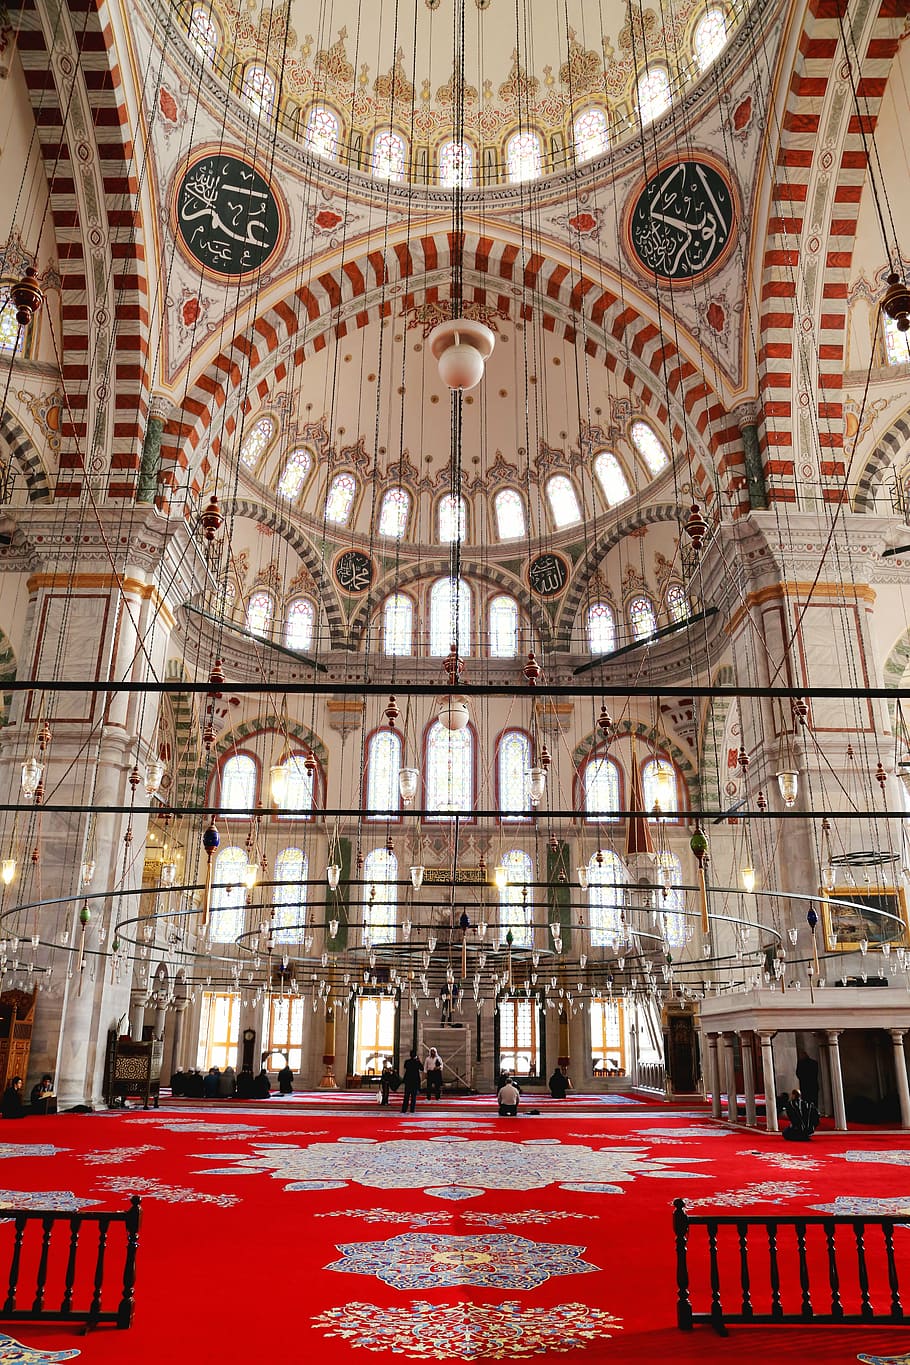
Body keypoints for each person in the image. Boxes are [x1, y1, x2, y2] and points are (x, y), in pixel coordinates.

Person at [401, 1049, 423, 1113]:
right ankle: (412, 1109)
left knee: (406, 1096)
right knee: (413, 1096)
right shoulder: (417, 1062)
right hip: (415, 1081)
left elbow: (405, 1068)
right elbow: (422, 1068)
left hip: (408, 1080)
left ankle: (404, 1109)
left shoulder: (407, 1061)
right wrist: (418, 1060)